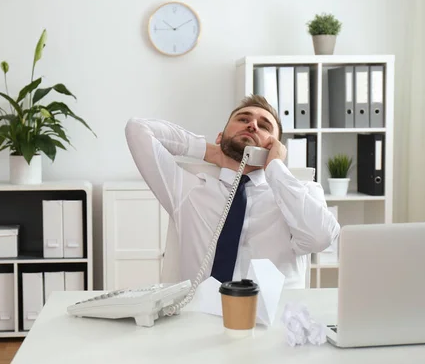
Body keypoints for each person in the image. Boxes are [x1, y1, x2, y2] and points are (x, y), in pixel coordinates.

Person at [124, 94, 340, 288]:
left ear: (275, 147)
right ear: (220, 136)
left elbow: (320, 238)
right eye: (243, 119)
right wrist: (210, 152)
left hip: (272, 325)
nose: (253, 125)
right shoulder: (188, 189)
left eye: (264, 126)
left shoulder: (302, 192)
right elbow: (138, 129)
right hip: (199, 321)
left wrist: (275, 167)